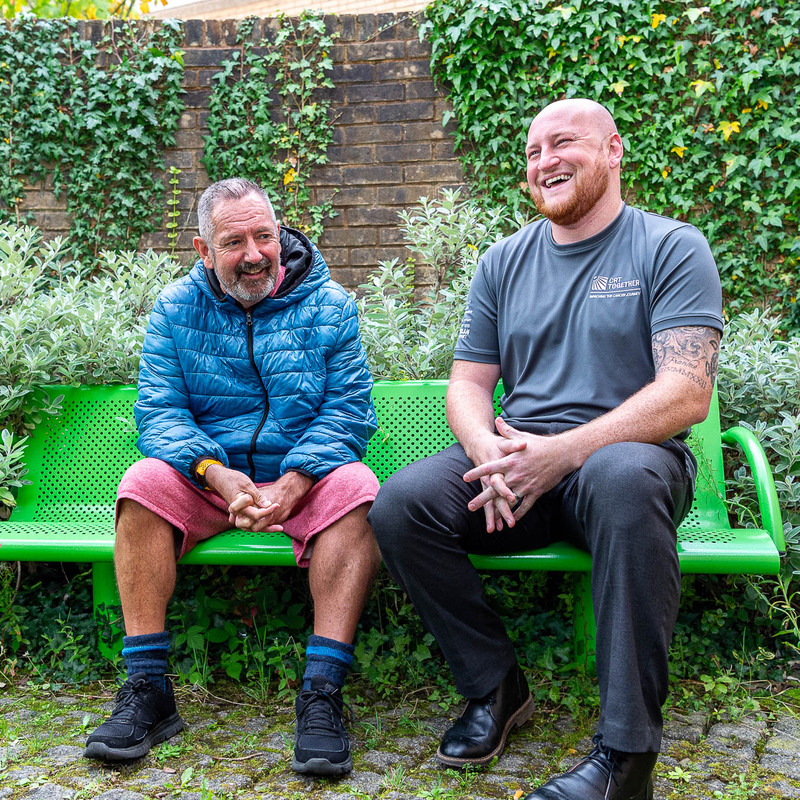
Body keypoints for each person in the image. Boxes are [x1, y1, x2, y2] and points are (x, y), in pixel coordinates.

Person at [368, 98, 723, 800]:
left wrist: (563, 452)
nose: (545, 160)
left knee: (621, 476)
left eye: (564, 143)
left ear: (615, 150)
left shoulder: (671, 247)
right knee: (402, 506)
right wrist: (487, 454)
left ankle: (626, 761)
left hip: (629, 465)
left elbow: (686, 393)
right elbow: (468, 384)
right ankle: (495, 686)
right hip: (521, 470)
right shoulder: (504, 261)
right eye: (533, 151)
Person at [84, 178, 382, 776]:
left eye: (264, 235)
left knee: (358, 490)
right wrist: (218, 475)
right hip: (209, 479)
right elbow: (159, 412)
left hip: (302, 479)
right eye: (233, 241)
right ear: (203, 250)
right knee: (141, 483)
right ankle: (149, 690)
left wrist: (293, 481)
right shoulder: (174, 310)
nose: (253, 253)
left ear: (281, 234)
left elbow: (349, 410)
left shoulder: (331, 306)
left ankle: (321, 694)